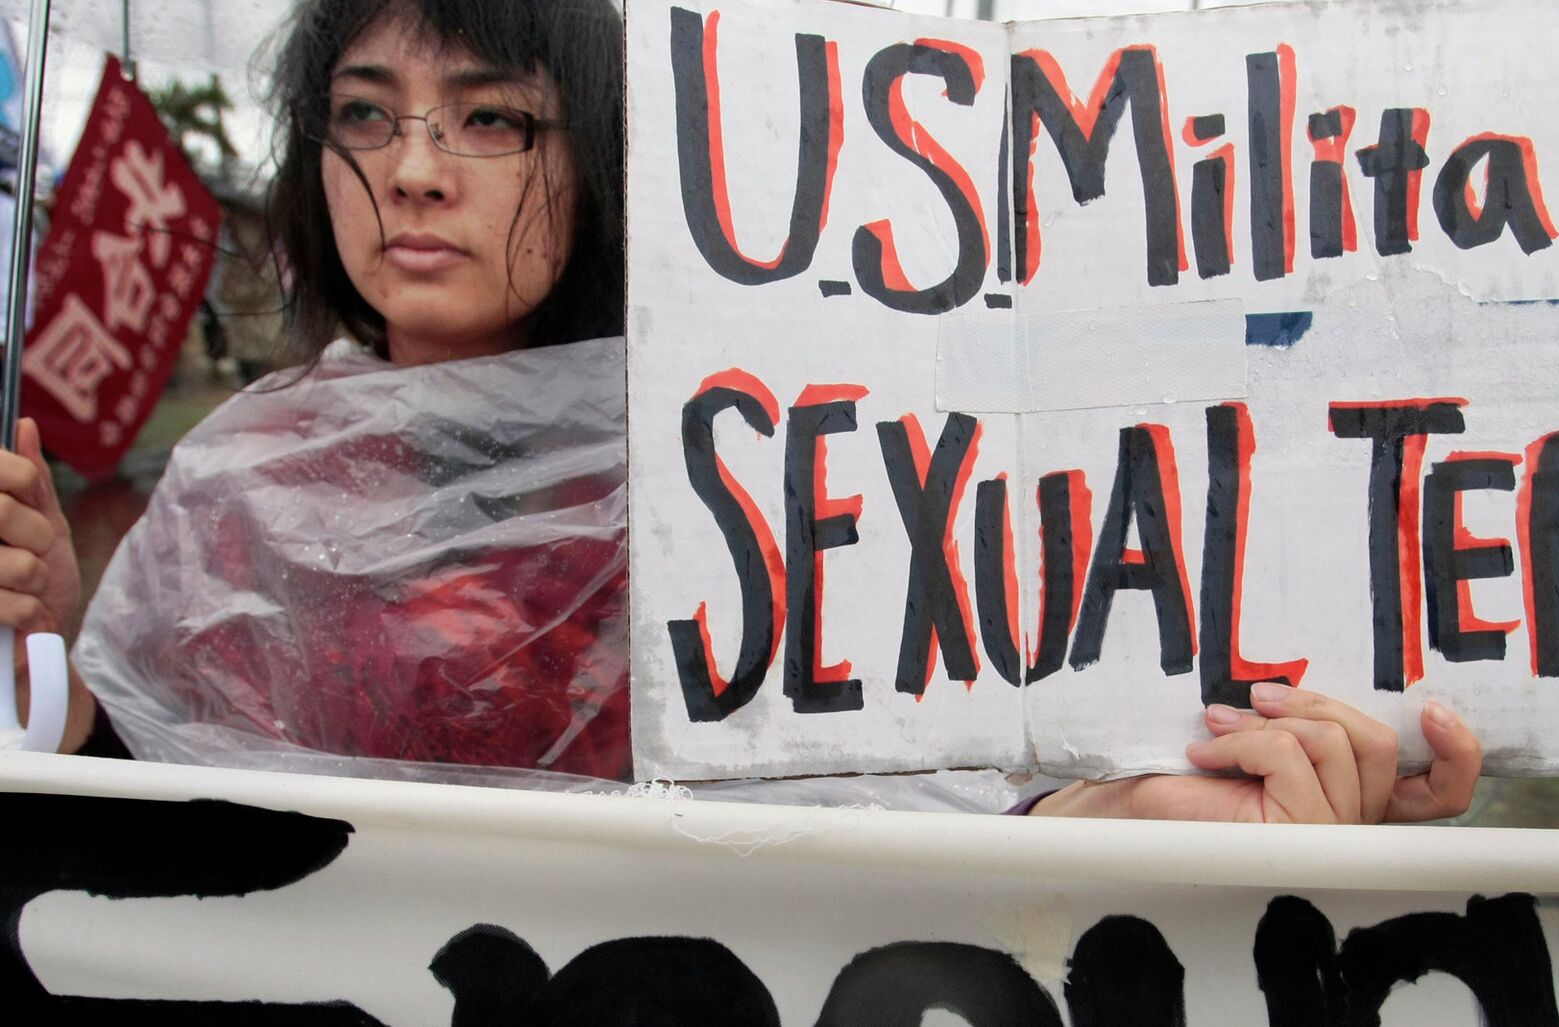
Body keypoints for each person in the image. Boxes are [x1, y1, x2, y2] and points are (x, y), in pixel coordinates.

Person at [0, 0, 1479, 823]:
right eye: (366, 115)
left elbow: (914, 818)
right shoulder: (240, 478)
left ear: (608, 161)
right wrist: (51, 658)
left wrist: (1150, 815)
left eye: (494, 118)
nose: (416, 169)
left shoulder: (761, 463)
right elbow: (140, 850)